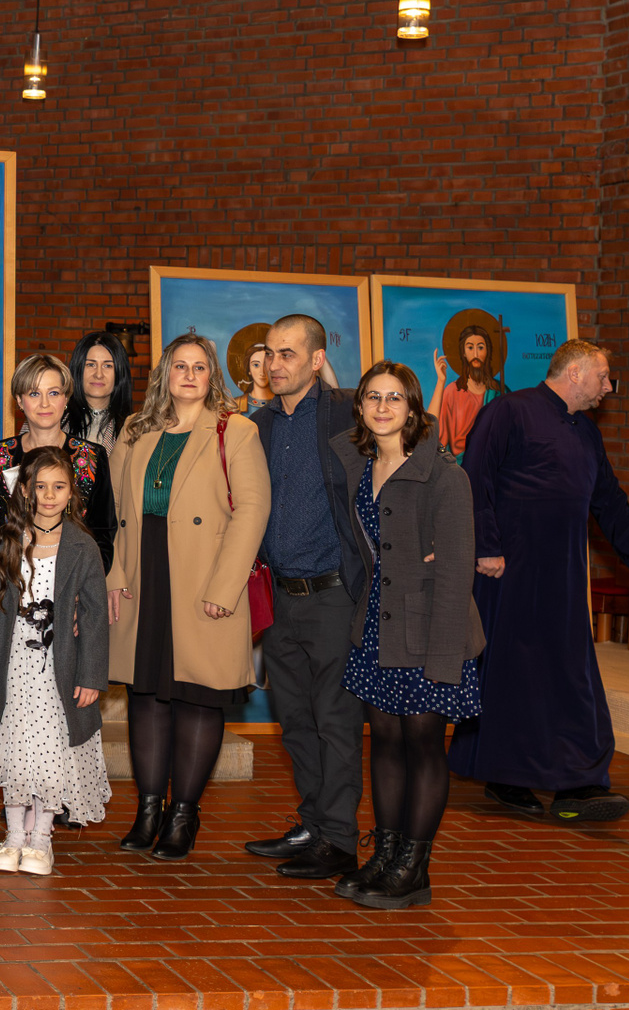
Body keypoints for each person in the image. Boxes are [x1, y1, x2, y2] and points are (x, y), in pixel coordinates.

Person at [449, 339, 629, 822]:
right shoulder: (509, 411)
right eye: (603, 376)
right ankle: (507, 776)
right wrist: (486, 545)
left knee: (571, 674)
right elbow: (474, 476)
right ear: (575, 372)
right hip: (508, 571)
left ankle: (578, 781)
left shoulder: (586, 431)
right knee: (512, 676)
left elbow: (610, 502)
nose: (608, 387)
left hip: (563, 576)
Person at [106, 333, 269, 861]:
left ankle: (183, 816)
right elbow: (112, 512)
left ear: (212, 375)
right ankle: (148, 810)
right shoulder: (135, 429)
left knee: (198, 695)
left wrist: (225, 587)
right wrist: (114, 574)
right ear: (165, 374)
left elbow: (252, 511)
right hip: (144, 574)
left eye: (200, 367)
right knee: (147, 697)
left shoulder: (236, 430)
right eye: (181, 365)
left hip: (205, 579)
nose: (190, 375)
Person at [329, 363, 482, 909]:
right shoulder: (360, 465)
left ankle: (414, 869)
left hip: (429, 629)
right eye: (373, 397)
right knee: (386, 743)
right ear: (360, 406)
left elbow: (456, 572)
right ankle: (386, 854)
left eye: (395, 398)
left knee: (423, 745)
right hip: (378, 625)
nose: (383, 407)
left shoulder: (444, 475)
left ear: (414, 408)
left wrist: (444, 659)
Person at [241, 314, 366, 880]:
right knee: (294, 720)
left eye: (288, 353)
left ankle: (339, 838)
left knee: (335, 721)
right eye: (270, 353)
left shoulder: (348, 413)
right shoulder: (257, 426)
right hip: (280, 598)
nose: (275, 364)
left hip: (334, 596)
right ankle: (314, 824)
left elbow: (414, 443)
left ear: (317, 360)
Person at [0, 446, 111, 876]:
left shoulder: (83, 547)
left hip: (58, 669)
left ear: (71, 493)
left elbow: (95, 617)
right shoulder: (5, 540)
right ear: (25, 490)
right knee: (14, 752)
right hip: (10, 666)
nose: (49, 496)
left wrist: (91, 675)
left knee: (51, 754)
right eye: (40, 486)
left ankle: (42, 839)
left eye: (58, 487)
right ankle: (14, 836)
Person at [0, 353, 115, 570]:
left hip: (74, 579)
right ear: (19, 400)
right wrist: (3, 576)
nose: (45, 403)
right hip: (8, 578)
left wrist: (82, 581)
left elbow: (103, 534)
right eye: (34, 393)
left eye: (54, 393)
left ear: (66, 399)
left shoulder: (91, 457)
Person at [429, 325, 506, 459]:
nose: (476, 354)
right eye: (470, 348)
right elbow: (432, 433)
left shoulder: (499, 392)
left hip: (491, 462)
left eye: (480, 348)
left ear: (487, 351)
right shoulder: (452, 392)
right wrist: (441, 381)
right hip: (460, 465)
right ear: (463, 353)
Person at [64, 331, 133, 450]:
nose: (98, 374)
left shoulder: (133, 429)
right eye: (91, 364)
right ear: (78, 368)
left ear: (119, 373)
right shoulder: (55, 420)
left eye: (108, 366)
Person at [238, 344, 277, 413]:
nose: (262, 372)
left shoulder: (285, 404)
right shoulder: (236, 404)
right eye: (256, 365)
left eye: (266, 365)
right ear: (249, 370)